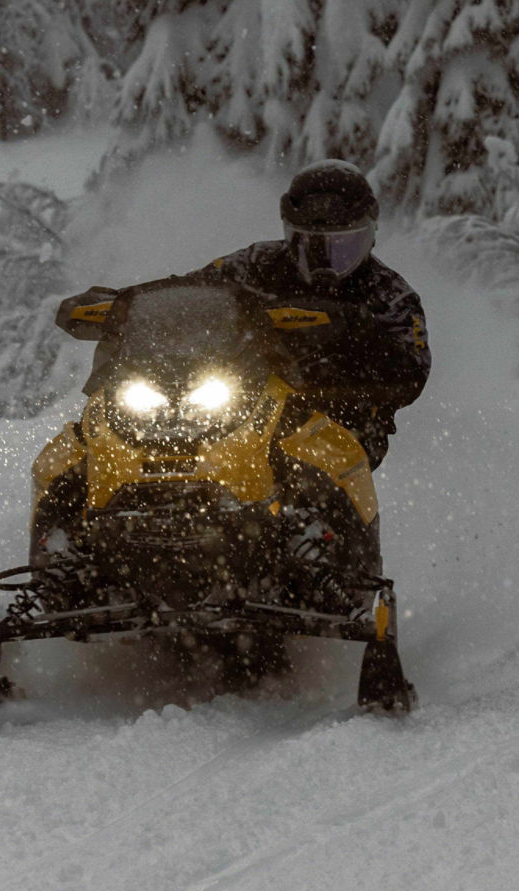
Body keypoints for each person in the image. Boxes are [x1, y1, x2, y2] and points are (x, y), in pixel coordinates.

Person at [189, 159, 431, 611]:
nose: (324, 262)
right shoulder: (256, 265)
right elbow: (192, 293)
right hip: (238, 405)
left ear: (370, 235)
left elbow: (412, 372)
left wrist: (359, 335)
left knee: (307, 480)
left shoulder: (389, 294)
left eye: (341, 247)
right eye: (309, 246)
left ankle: (329, 569)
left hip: (340, 418)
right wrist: (128, 302)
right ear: (288, 234)